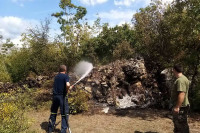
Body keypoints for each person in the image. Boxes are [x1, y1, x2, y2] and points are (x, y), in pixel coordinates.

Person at [48, 65, 73, 133]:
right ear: (65, 70)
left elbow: (60, 86)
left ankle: (50, 129)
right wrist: (68, 89)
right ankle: (63, 131)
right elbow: (67, 85)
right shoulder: (65, 76)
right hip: (62, 97)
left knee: (53, 112)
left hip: (55, 97)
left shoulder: (56, 77)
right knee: (64, 114)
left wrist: (68, 88)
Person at [171, 64, 190, 133]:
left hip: (181, 107)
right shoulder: (183, 78)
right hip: (182, 106)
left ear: (174, 70)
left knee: (181, 127)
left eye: (172, 69)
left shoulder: (180, 80)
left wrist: (177, 107)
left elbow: (182, 94)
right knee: (179, 126)